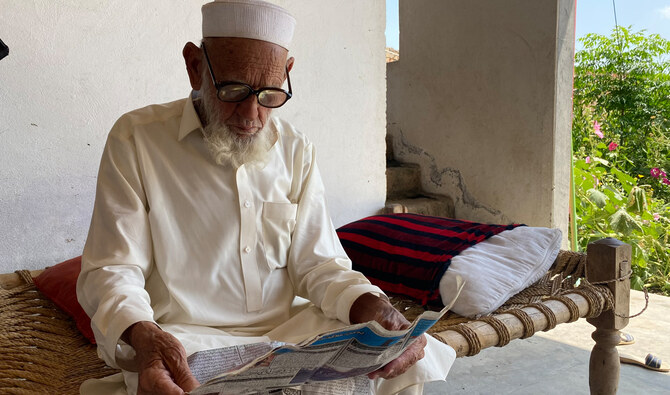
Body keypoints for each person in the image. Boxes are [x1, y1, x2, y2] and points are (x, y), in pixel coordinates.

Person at [76, 1, 455, 394]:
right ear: (194, 67)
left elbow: (320, 264)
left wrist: (377, 309)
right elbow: (112, 269)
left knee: (403, 356)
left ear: (288, 74)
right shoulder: (137, 138)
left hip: (291, 334)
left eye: (270, 93)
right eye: (234, 89)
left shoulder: (295, 149)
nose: (251, 114)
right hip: (187, 339)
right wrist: (145, 338)